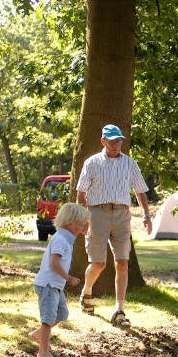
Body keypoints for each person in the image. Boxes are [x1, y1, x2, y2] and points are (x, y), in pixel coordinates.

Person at [76, 124, 152, 327]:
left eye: (119, 140)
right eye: (112, 141)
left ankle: (119, 310)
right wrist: (83, 219)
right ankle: (86, 292)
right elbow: (82, 193)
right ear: (103, 141)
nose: (116, 144)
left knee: (122, 262)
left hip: (122, 214)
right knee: (98, 263)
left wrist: (146, 214)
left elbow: (140, 191)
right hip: (97, 213)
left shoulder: (129, 163)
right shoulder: (91, 163)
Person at [30, 203, 90, 357]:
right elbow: (54, 263)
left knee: (62, 314)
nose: (84, 225)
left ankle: (37, 335)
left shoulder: (67, 239)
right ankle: (42, 353)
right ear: (70, 223)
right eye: (82, 222)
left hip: (55, 286)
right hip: (48, 285)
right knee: (48, 318)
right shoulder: (61, 240)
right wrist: (69, 278)